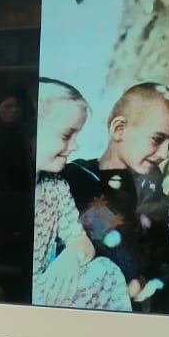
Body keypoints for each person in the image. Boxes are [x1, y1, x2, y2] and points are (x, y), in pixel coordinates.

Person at [60, 82, 169, 314]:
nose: (164, 154)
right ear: (119, 129)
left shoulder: (150, 190)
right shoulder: (75, 180)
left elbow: (165, 261)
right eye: (157, 139)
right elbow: (119, 250)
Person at [31, 78, 130, 310]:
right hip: (17, 298)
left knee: (106, 269)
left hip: (48, 288)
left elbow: (82, 240)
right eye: (67, 136)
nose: (75, 146)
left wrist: (73, 256)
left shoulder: (57, 185)